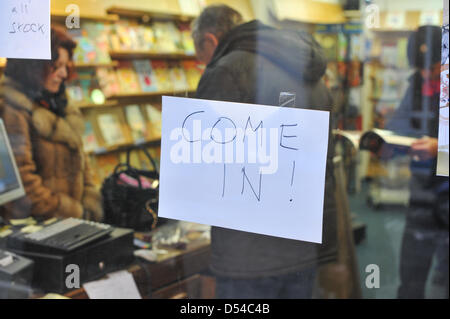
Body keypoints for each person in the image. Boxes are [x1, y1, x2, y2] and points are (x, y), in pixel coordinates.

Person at [192, 4, 337, 298]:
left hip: (247, 256)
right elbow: (322, 163)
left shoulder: (225, 71)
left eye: (201, 57)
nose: (203, 64)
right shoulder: (308, 69)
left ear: (210, 41)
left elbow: (206, 168)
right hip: (302, 244)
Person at [0, 26, 103, 222]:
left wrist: (90, 204)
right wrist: (74, 212)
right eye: (56, 66)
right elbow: (23, 185)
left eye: (66, 66)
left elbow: (82, 162)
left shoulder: (58, 104)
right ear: (34, 68)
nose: (64, 74)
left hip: (71, 227)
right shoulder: (13, 109)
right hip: (40, 230)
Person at [386, 25, 449, 299]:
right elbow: (399, 126)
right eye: (420, 68)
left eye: (432, 67)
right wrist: (387, 142)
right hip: (421, 194)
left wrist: (441, 148)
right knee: (410, 278)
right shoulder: (416, 85)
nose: (425, 74)